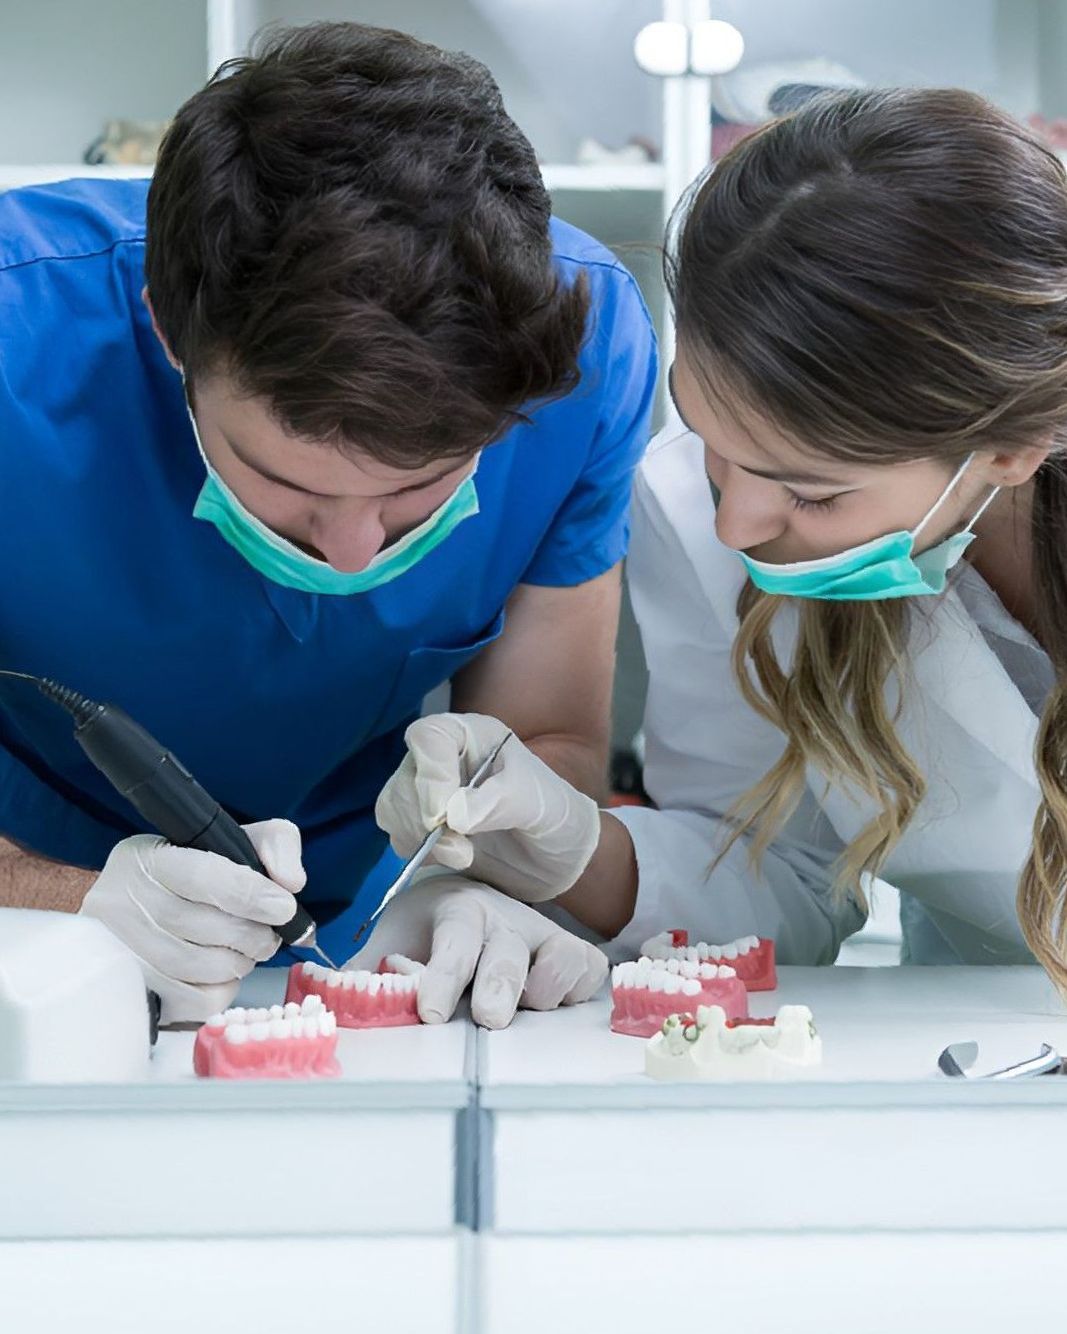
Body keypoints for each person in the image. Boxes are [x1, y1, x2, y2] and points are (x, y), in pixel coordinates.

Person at [0, 23, 655, 1023]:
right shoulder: (18, 331)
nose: (356, 552)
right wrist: (67, 903)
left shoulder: (582, 350)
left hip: (361, 942)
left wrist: (476, 881)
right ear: (167, 330)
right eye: (286, 481)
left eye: (418, 488)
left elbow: (546, 739)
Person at [377, 87, 1067, 998]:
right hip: (969, 1038)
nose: (733, 524)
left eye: (809, 492)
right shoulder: (691, 503)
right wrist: (570, 848)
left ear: (1011, 450)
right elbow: (780, 877)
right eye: (709, 437)